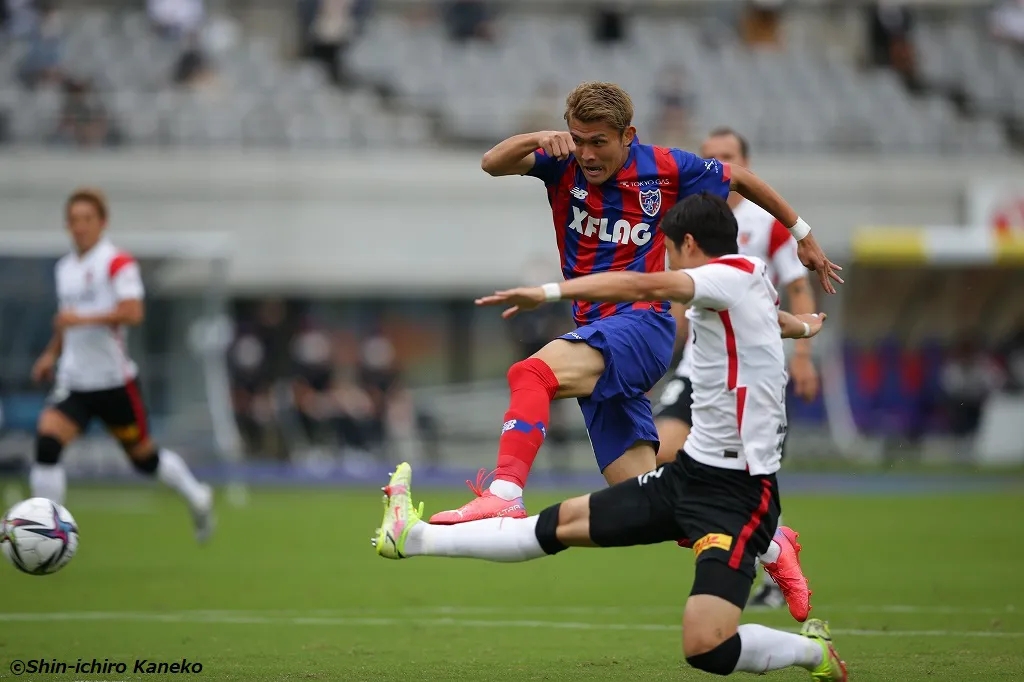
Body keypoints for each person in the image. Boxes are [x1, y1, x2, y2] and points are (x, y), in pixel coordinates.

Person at [373, 193, 846, 681]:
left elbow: (640, 283)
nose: (667, 259)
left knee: (707, 646)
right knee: (556, 526)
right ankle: (411, 536)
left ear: (688, 244)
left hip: (737, 497)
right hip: (687, 477)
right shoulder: (747, 282)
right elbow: (773, 317)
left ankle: (813, 652)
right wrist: (803, 328)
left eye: (669, 249)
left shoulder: (728, 276)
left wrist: (549, 292)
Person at [428, 80, 840, 525]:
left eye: (599, 143)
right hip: (595, 331)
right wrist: (535, 138)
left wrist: (804, 236)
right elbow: (492, 164)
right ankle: (770, 543)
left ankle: (504, 491)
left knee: (530, 372)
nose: (586, 154)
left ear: (628, 135)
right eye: (579, 140)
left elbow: (738, 177)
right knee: (647, 507)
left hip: (642, 325)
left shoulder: (665, 167)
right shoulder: (562, 161)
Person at [654, 127, 818, 614]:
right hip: (698, 366)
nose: (718, 164)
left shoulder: (765, 227)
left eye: (727, 157)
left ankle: (762, 554)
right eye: (711, 158)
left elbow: (796, 288)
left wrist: (804, 356)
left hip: (750, 371)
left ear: (744, 164)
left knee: (751, 469)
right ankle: (750, 544)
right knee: (662, 454)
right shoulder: (691, 221)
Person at [28, 188, 214, 542]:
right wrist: (52, 353)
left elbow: (133, 312)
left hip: (115, 382)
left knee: (144, 460)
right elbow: (66, 322)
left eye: (87, 219)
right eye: (73, 220)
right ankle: (48, 536)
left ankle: (197, 495)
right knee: (47, 445)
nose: (80, 227)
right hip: (74, 382)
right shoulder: (64, 268)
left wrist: (80, 319)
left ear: (102, 223)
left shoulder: (117, 263)